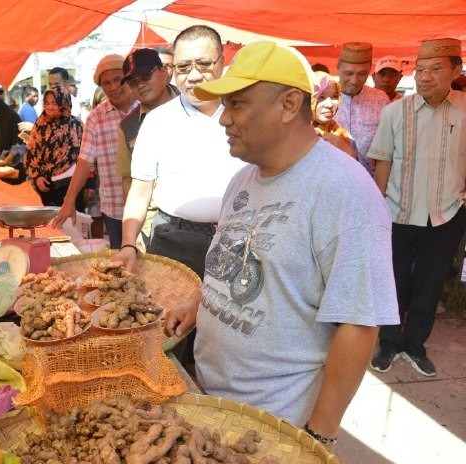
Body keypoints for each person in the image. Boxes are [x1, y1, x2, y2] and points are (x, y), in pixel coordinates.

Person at [167, 41, 398, 441]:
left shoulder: (345, 191)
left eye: (237, 104)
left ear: (290, 105)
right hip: (210, 396)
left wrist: (319, 434)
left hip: (274, 422)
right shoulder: (243, 179)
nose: (224, 119)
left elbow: (359, 323)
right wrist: (198, 302)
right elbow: (236, 259)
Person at [368, 38, 466, 377]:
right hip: (398, 211)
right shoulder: (395, 111)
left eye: (436, 69)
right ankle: (389, 341)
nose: (425, 77)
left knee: (430, 280)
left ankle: (414, 344)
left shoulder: (465, 109)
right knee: (393, 279)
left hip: (448, 211)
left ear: (456, 70)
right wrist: (378, 207)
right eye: (421, 69)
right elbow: (382, 160)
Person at [116, 25, 246, 277]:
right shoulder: (157, 121)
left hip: (239, 239)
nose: (194, 76)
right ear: (172, 70)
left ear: (222, 63)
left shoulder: (244, 115)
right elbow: (140, 192)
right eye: (184, 67)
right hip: (173, 240)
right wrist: (128, 243)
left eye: (204, 64)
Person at [51, 54, 137, 248]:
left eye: (118, 80)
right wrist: (69, 200)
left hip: (148, 208)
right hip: (114, 206)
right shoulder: (96, 117)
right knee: (122, 265)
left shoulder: (146, 108)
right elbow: (85, 161)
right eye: (106, 83)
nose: (113, 87)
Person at [115, 48, 178, 247]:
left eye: (146, 76)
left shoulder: (195, 107)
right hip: (153, 227)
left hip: (199, 222)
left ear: (164, 71)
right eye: (133, 81)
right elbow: (128, 182)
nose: (141, 84)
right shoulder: (128, 126)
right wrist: (133, 236)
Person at [24, 86, 84, 207]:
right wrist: (37, 177)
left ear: (64, 103)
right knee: (51, 224)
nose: (50, 107)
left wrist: (90, 184)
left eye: (54, 103)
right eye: (47, 103)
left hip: (73, 184)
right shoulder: (40, 125)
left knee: (73, 222)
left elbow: (86, 154)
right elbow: (31, 152)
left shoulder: (76, 124)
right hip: (47, 185)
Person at [335, 42, 389, 171]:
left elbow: (387, 150)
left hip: (369, 181)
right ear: (338, 68)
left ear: (370, 71)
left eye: (361, 74)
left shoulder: (381, 100)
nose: (354, 80)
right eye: (349, 73)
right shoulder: (323, 100)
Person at [311, 72, 357, 158]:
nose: (330, 104)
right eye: (321, 97)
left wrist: (347, 150)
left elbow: (358, 168)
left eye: (334, 96)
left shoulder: (342, 135)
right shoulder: (295, 134)